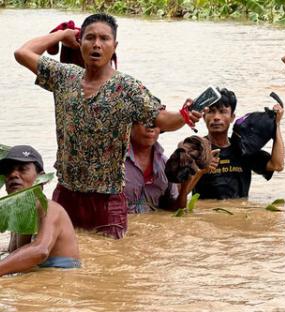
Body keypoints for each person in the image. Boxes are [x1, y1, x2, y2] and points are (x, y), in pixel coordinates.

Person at [13, 13, 202, 239]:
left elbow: (162, 120)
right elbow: (22, 53)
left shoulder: (127, 88)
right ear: (80, 42)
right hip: (66, 194)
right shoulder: (65, 77)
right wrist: (62, 35)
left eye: (104, 39)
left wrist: (185, 115)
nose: (96, 45)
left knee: (111, 266)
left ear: (115, 46)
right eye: (89, 38)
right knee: (60, 264)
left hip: (107, 199)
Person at [0, 145, 80, 276]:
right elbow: (13, 252)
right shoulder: (20, 213)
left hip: (60, 283)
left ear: (41, 178)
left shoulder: (49, 208)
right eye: (8, 171)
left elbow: (40, 250)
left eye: (22, 169)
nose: (13, 175)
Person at [192, 88, 285, 200]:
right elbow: (179, 187)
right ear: (203, 116)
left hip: (240, 214)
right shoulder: (196, 148)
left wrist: (277, 124)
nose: (216, 117)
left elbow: (277, 165)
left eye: (222, 111)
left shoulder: (243, 149)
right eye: (211, 111)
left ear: (232, 117)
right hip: (203, 216)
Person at [124, 124, 218, 213]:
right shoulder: (116, 162)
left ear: (160, 128)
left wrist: (188, 180)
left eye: (155, 123)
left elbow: (175, 208)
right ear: (130, 125)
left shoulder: (164, 163)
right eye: (143, 121)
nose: (150, 127)